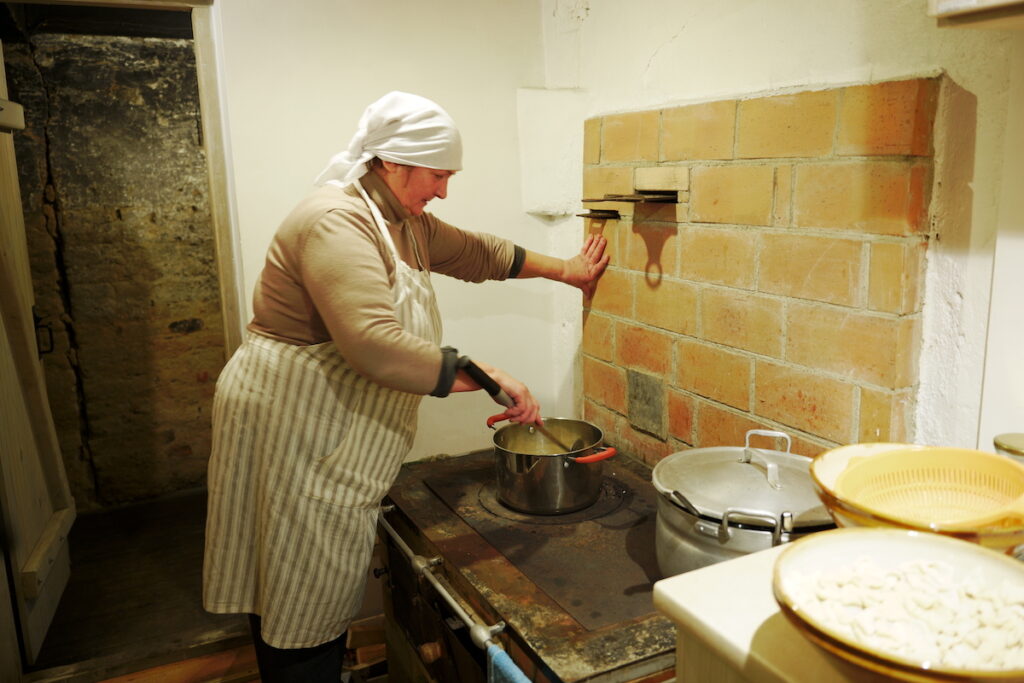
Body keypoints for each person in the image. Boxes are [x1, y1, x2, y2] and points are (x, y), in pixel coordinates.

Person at [202, 91, 608, 682]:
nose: (443, 190)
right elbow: (372, 343)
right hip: (289, 419)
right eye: (438, 175)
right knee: (297, 578)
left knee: (299, 576)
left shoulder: (404, 221)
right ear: (392, 162)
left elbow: (478, 253)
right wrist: (489, 378)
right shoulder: (334, 220)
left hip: (328, 422)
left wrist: (567, 271)